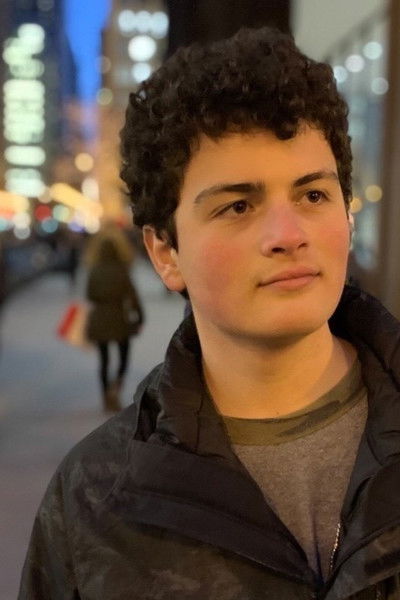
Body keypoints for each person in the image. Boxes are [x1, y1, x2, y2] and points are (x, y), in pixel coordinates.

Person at [19, 27, 400, 600]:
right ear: (165, 253)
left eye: (313, 195)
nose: (288, 234)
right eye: (239, 206)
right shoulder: (94, 501)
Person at [85, 235, 144, 411]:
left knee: (104, 359)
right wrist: (140, 316)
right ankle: (116, 387)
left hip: (100, 318)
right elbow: (132, 295)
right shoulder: (122, 270)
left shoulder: (94, 271)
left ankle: (105, 395)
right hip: (120, 317)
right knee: (123, 356)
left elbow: (90, 295)